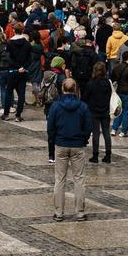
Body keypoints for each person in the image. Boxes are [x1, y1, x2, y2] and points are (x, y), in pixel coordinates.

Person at [48, 78, 92, 221]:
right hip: (77, 145)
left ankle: (59, 212)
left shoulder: (56, 106)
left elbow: (50, 128)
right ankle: (80, 212)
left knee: (60, 179)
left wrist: (54, 142)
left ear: (62, 89)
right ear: (75, 89)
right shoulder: (83, 106)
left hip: (61, 144)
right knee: (79, 179)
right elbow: (88, 127)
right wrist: (83, 139)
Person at [82, 62, 113, 163]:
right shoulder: (107, 82)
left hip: (94, 111)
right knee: (106, 133)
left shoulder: (91, 83)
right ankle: (108, 155)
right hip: (105, 110)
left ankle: (95, 155)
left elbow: (85, 97)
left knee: (95, 134)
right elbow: (110, 95)